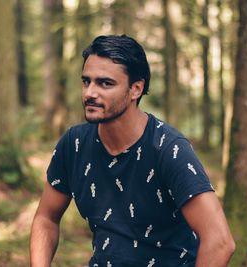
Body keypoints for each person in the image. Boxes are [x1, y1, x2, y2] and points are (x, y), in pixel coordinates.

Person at [30, 35, 235, 267]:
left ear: (136, 89)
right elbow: (46, 218)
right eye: (86, 81)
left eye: (105, 83)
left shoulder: (168, 149)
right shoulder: (74, 144)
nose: (89, 93)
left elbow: (220, 241)